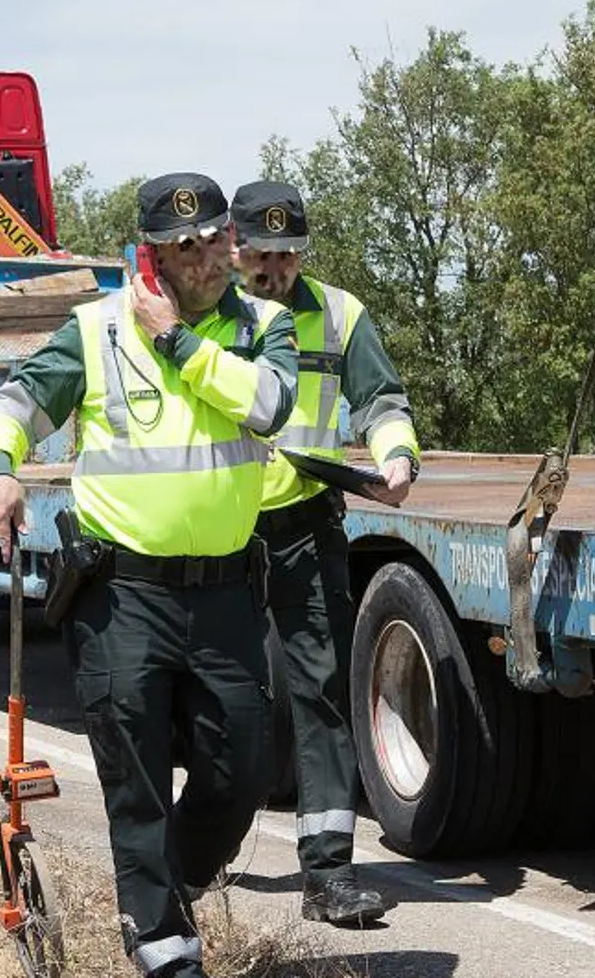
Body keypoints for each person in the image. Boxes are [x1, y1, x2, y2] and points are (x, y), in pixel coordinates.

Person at [0, 172, 299, 978]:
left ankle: (173, 884)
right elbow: (13, 403)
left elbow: (269, 407)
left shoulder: (264, 324)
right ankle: (162, 946)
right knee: (137, 778)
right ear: (153, 254)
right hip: (123, 595)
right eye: (185, 246)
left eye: (216, 239)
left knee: (244, 768)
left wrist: (180, 345)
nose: (207, 258)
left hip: (226, 591)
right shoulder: (94, 331)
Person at [230, 180, 418, 926]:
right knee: (225, 702)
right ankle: (203, 849)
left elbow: (380, 400)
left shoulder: (339, 314)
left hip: (307, 525)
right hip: (221, 531)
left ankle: (328, 876)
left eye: (287, 253)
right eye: (260, 254)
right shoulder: (209, 316)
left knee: (320, 697)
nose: (273, 267)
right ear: (233, 248)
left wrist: (396, 455)